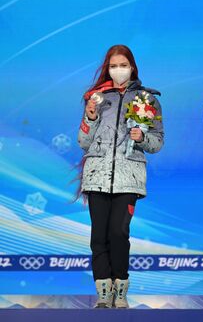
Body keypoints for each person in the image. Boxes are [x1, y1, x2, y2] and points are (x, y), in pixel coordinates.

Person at [77, 45, 164, 308]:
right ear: (107, 68)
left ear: (132, 67)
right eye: (113, 66)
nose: (118, 70)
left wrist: (143, 137)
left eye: (122, 65)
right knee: (98, 236)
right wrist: (90, 116)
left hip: (129, 177)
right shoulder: (97, 98)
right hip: (97, 176)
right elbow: (83, 141)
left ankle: (121, 289)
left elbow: (157, 143)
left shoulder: (148, 100)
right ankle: (103, 294)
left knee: (118, 232)